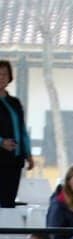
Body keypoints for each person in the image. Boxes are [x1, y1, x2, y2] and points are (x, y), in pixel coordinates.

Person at [0, 59, 33, 208]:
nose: (1, 77)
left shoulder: (15, 102)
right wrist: (1, 142)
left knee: (8, 202)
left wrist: (28, 153)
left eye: (5, 74)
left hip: (14, 159)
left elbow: (22, 130)